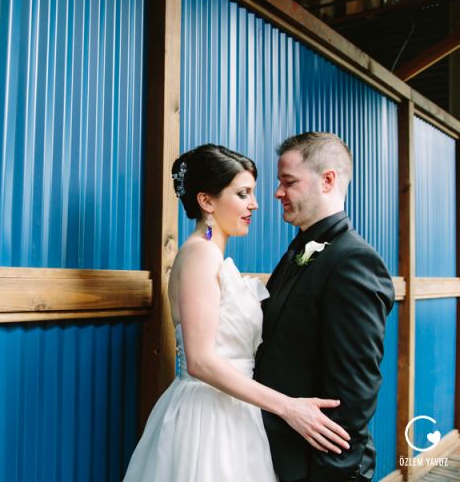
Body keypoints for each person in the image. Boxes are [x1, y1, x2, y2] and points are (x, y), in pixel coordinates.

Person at [124, 144, 350, 482]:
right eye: (243, 194)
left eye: (253, 193)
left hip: (238, 411)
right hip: (206, 419)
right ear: (207, 201)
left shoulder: (214, 256)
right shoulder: (199, 254)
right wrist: (288, 407)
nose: (255, 204)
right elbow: (200, 362)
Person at [254, 132, 395, 482]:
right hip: (276, 451)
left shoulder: (353, 261)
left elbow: (354, 390)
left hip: (315, 467)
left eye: (289, 182)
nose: (277, 193)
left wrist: (332, 474)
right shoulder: (302, 250)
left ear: (327, 180)